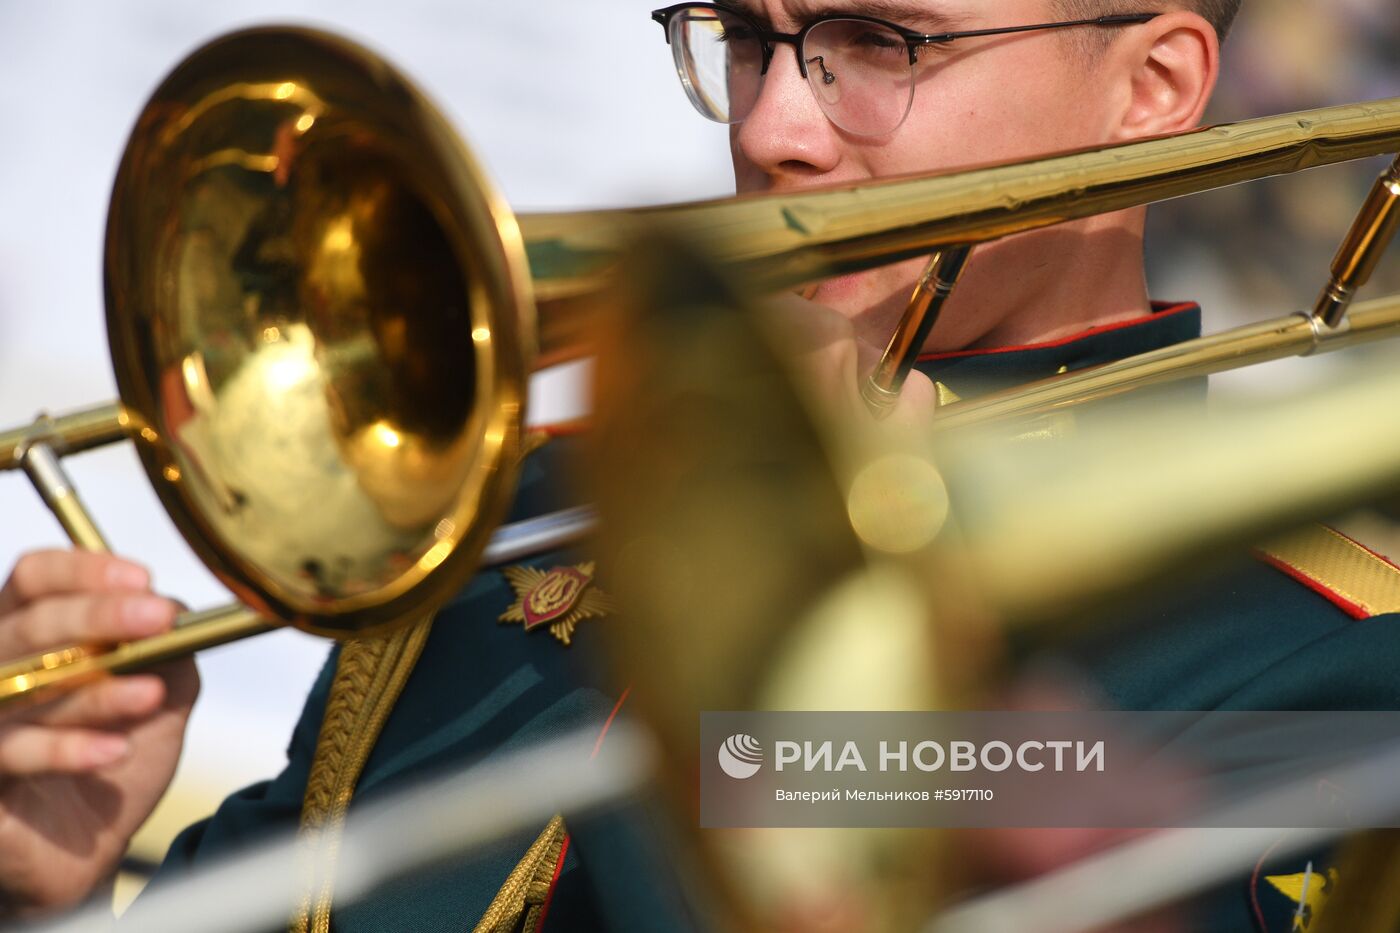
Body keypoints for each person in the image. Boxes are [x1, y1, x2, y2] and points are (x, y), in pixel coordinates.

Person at [2, 1, 1397, 929]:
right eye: (751, 37)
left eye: (880, 42)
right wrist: (53, 880)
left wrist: (828, 696)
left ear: (1152, 90)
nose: (772, 129)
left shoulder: (1336, 663)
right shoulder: (528, 510)